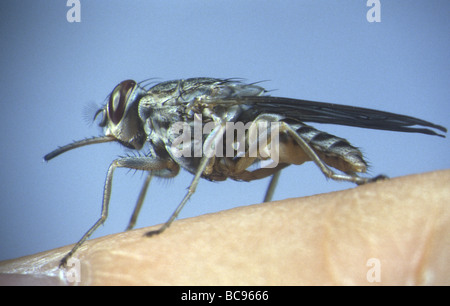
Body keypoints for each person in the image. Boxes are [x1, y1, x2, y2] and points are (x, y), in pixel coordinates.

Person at [0, 170, 448, 285]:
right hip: (239, 150)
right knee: (122, 161)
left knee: (270, 129)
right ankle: (121, 226)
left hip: (254, 139)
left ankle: (338, 176)